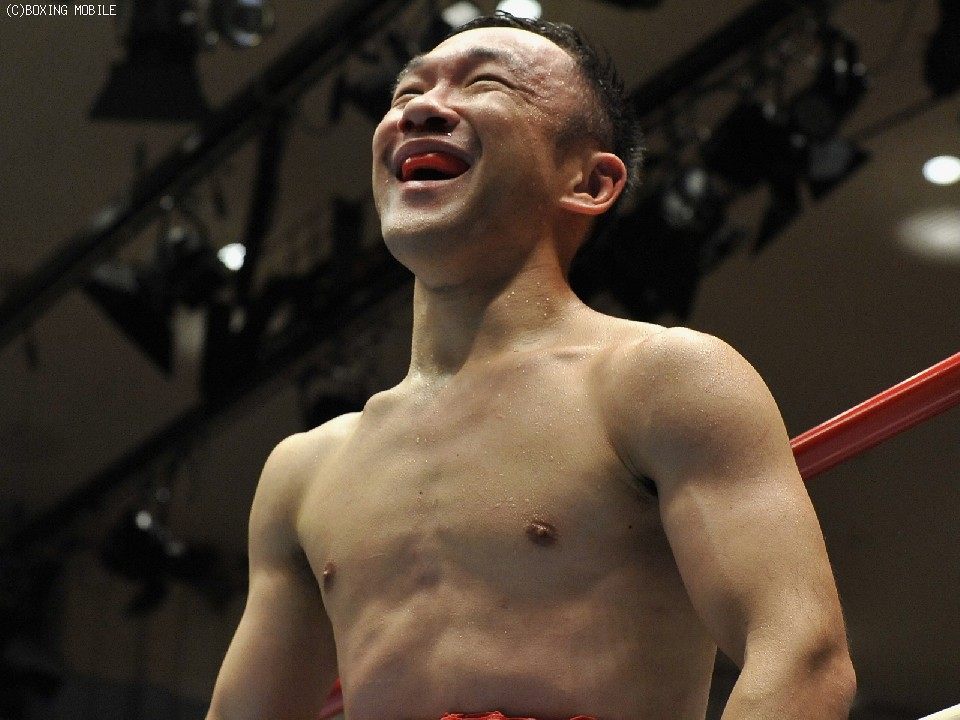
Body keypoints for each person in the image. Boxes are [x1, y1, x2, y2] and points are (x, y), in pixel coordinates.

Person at [206, 13, 856, 720]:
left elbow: (803, 658)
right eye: (406, 93)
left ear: (589, 180)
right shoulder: (303, 472)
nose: (421, 109)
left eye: (485, 83)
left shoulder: (661, 382)